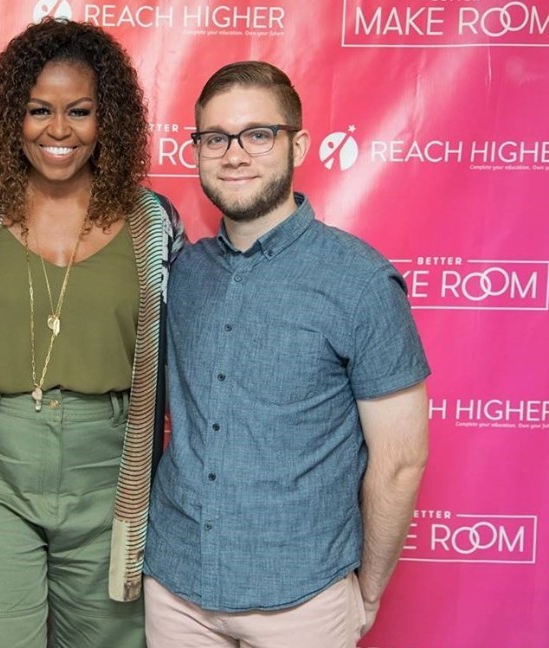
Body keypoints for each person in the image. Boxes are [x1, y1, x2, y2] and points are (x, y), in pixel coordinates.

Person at [144, 61, 431, 647]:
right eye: (215, 138)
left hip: (304, 596)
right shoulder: (183, 273)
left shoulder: (361, 282)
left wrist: (368, 590)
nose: (234, 154)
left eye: (258, 134)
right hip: (175, 588)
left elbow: (401, 459)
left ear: (297, 143)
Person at [0, 18, 184, 648]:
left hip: (111, 472)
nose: (58, 130)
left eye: (80, 111)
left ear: (110, 120)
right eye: (38, 110)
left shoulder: (155, 223)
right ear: (9, 116)